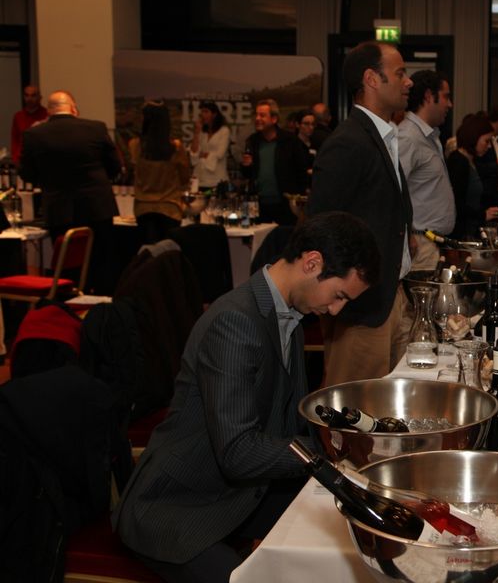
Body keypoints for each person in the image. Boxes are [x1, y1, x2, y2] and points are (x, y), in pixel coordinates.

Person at [112, 212, 378, 583]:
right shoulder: (235, 321)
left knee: (349, 534)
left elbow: (286, 420)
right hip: (177, 504)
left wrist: (343, 435)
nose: (336, 310)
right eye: (338, 295)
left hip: (238, 491)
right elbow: (238, 452)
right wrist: (327, 448)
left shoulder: (289, 315)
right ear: (312, 263)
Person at [307, 41, 414, 386]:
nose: (408, 82)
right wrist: (341, 297)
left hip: (389, 297)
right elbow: (320, 227)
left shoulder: (382, 135)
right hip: (360, 308)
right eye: (400, 73)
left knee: (386, 407)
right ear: (372, 79)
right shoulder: (348, 142)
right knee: (354, 409)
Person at [19, 90, 121, 294]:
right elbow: (115, 166)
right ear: (74, 108)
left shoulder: (33, 135)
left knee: (66, 264)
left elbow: (26, 173)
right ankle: (101, 303)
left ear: (49, 111)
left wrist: (47, 182)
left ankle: (67, 304)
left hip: (59, 208)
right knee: (101, 261)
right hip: (97, 206)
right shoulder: (96, 128)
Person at [398, 70, 455, 271]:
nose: (450, 104)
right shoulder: (408, 137)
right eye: (446, 97)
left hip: (430, 243)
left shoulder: (429, 136)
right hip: (419, 245)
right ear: (429, 96)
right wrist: (406, 234)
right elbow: (393, 191)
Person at [129, 101, 191, 244]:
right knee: (167, 251)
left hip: (143, 208)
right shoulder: (175, 148)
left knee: (148, 251)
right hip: (170, 208)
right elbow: (184, 178)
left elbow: (133, 171)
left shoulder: (135, 145)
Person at [241, 99, 309, 226]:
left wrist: (297, 202)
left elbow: (301, 172)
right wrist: (246, 166)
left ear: (274, 119)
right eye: (256, 115)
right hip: (259, 205)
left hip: (284, 206)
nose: (257, 118)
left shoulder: (290, 141)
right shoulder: (252, 141)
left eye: (262, 115)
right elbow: (247, 175)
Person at [447, 114, 498, 240]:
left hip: (469, 229)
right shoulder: (459, 161)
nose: (488, 146)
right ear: (474, 138)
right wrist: (483, 214)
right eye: (486, 141)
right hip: (460, 232)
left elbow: (479, 192)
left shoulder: (471, 160)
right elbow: (457, 203)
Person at [188, 101, 231, 191]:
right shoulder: (202, 132)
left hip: (217, 180)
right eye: (202, 112)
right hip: (199, 179)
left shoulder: (224, 131)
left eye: (206, 111)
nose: (203, 115)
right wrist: (196, 132)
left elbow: (220, 154)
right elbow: (194, 152)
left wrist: (203, 155)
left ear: (214, 114)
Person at [10, 84, 48, 164]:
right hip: (22, 159)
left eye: (33, 95)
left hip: (41, 159)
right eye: (27, 95)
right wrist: (15, 158)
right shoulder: (18, 116)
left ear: (40, 97)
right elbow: (15, 139)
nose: (29, 99)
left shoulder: (47, 115)